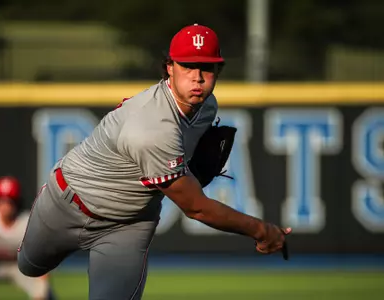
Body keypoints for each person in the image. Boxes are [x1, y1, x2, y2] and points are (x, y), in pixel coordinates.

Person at [17, 23, 291, 300]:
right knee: (29, 267)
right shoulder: (152, 126)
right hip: (67, 203)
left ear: (218, 71)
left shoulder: (207, 106)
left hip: (128, 224)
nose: (197, 77)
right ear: (169, 67)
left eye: (206, 68)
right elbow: (197, 208)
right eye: (187, 66)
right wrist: (262, 230)